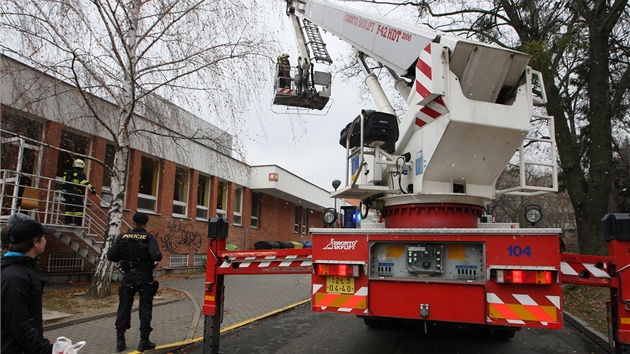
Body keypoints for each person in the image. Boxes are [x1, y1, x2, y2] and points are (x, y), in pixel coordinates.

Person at [107, 212, 162, 352]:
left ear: (133, 222)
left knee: (124, 307)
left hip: (128, 277)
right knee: (145, 309)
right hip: (144, 278)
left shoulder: (123, 237)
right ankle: (144, 341)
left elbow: (111, 255)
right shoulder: (148, 238)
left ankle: (120, 341)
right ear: (145, 223)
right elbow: (156, 255)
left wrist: (124, 258)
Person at [1, 218, 57, 354]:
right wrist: (49, 350)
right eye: (43, 237)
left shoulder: (23, 269)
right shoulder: (15, 276)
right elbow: (19, 325)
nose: (46, 240)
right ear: (36, 242)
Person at [62, 158, 96, 226]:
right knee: (78, 208)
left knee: (69, 208)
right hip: (77, 194)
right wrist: (92, 189)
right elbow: (84, 182)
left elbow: (64, 184)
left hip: (68, 193)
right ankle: (77, 222)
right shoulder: (81, 173)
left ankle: (67, 222)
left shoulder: (68, 172)